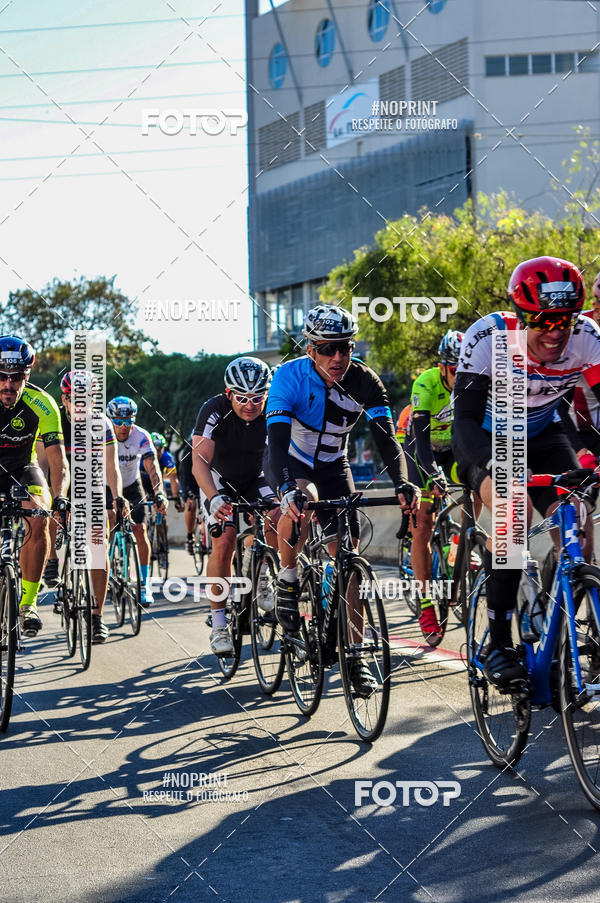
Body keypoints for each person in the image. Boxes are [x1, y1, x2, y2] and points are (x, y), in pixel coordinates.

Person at [452, 256, 600, 688]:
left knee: (578, 519)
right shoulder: (489, 337)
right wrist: (494, 467)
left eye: (564, 322)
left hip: (545, 431)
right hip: (489, 436)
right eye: (542, 321)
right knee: (511, 514)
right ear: (520, 317)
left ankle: (560, 624)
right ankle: (497, 643)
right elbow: (463, 419)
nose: (555, 333)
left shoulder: (588, 338)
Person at [265, 304, 419, 696]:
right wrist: (286, 489)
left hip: (336, 465)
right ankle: (287, 578)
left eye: (345, 348)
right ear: (310, 348)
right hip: (294, 462)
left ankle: (355, 654)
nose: (338, 358)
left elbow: (387, 438)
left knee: (348, 559)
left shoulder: (365, 381)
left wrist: (403, 482)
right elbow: (276, 446)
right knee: (304, 500)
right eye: (328, 349)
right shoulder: (288, 377)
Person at [192, 357, 280, 657]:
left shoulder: (274, 409)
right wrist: (214, 497)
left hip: (257, 477)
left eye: (258, 397)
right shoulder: (213, 409)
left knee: (279, 515)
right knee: (225, 540)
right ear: (229, 393)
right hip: (220, 480)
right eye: (242, 397)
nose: (250, 405)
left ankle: (264, 572)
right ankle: (218, 625)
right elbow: (200, 462)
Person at [41, 371, 128, 643]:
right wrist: (49, 499)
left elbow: (111, 467)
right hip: (58, 479)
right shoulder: (52, 419)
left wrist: (117, 497)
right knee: (50, 504)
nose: (80, 406)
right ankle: (52, 561)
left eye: (86, 400)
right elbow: (43, 466)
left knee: (98, 542)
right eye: (74, 400)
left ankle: (97, 616)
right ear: (64, 400)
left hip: (91, 483)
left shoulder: (101, 423)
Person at [0, 336, 69, 636]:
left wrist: (61, 498)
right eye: (1, 377)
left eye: (16, 379)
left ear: (27, 375)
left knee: (39, 517)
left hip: (22, 469)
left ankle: (27, 604)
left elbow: (58, 462)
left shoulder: (44, 404)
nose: (8, 385)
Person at [403, 330, 467, 644]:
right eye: (455, 370)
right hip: (421, 449)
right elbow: (424, 447)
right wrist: (434, 475)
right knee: (424, 524)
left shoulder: (472, 382)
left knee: (474, 481)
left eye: (465, 370)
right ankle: (427, 603)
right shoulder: (426, 384)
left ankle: (462, 541)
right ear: (442, 366)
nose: (460, 377)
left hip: (452, 447)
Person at [106, 397, 166, 606]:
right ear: (110, 420)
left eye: (128, 421)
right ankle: (106, 571)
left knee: (139, 530)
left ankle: (144, 584)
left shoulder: (141, 436)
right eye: (118, 421)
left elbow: (152, 467)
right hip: (106, 485)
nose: (124, 427)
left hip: (132, 485)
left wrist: (159, 493)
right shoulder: (102, 435)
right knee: (109, 520)